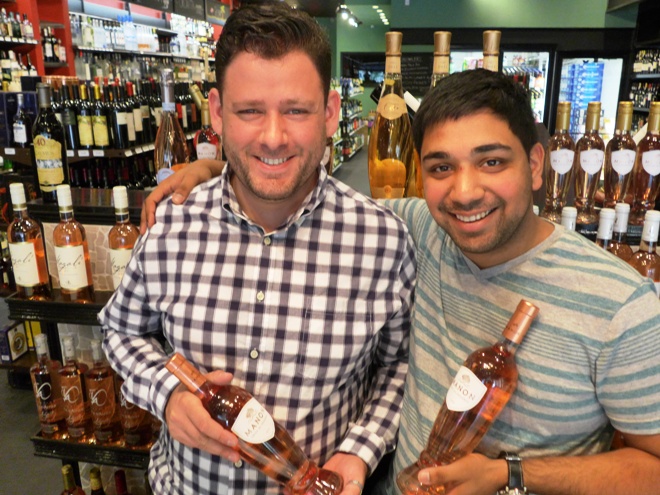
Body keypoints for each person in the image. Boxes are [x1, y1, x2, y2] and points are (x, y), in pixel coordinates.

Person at [145, 68, 660, 495]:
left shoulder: (622, 305)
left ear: (536, 165)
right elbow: (307, 193)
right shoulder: (423, 230)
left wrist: (511, 474)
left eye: (492, 161)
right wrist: (219, 169)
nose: (465, 192)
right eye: (441, 167)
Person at [99, 3, 416, 494]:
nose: (273, 137)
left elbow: (398, 365)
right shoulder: (173, 225)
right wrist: (167, 398)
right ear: (218, 112)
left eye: (296, 110)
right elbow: (119, 330)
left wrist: (359, 451)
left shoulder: (383, 241)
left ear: (331, 114)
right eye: (249, 111)